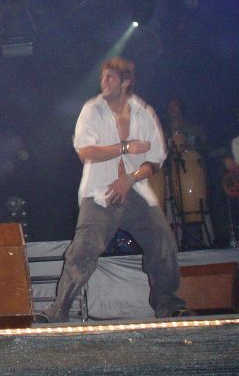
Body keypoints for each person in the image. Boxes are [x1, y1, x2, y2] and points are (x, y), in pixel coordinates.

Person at [36, 57, 190, 323]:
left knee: (163, 241)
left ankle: (168, 306)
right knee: (83, 250)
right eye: (103, 77)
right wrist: (125, 147)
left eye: (110, 77)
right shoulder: (92, 109)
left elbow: (155, 159)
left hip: (135, 192)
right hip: (100, 193)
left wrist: (129, 179)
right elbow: (85, 152)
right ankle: (58, 310)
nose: (104, 82)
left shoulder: (143, 112)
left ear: (126, 81)